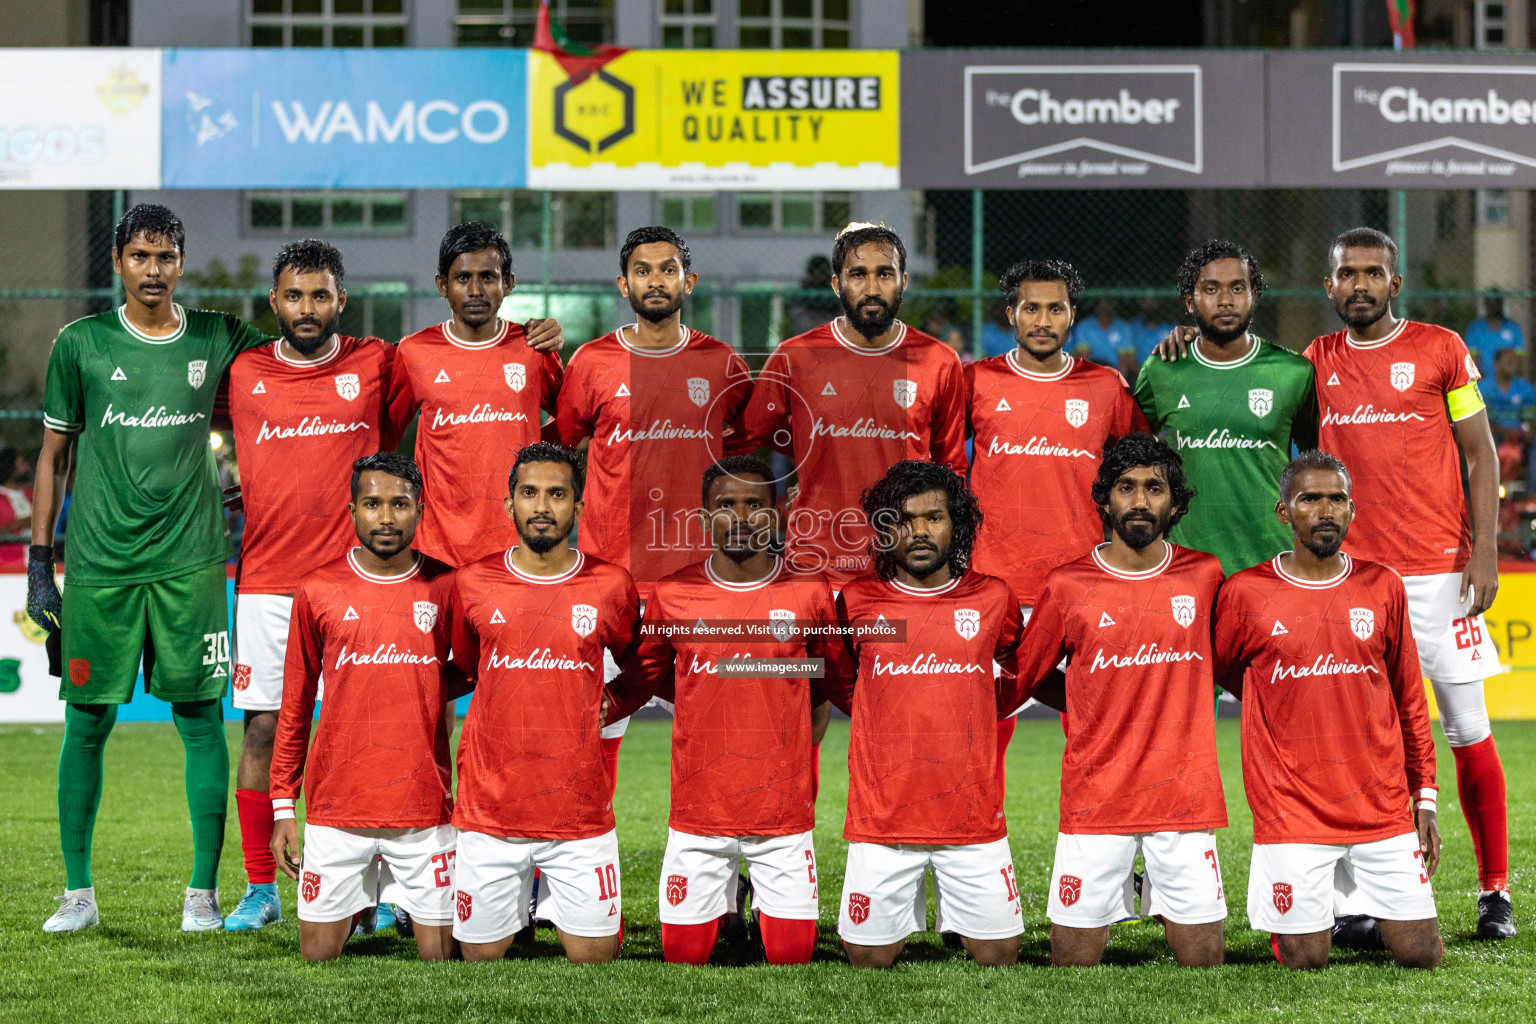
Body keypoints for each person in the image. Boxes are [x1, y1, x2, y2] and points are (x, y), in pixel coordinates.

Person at [31, 204, 272, 933]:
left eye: (166, 256)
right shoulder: (80, 344)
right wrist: (42, 565)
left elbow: (299, 367)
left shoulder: (216, 336)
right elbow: (52, 456)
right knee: (88, 721)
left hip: (190, 564)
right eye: (141, 256)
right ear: (117, 261)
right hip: (101, 565)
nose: (154, 270)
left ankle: (202, 896)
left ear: (181, 262)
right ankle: (78, 894)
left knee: (200, 719)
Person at [1306, 227, 1512, 940]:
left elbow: (1481, 454)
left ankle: (1494, 893)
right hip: (1353, 582)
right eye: (1345, 274)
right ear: (1328, 286)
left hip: (1439, 575)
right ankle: (1354, 903)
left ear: (1395, 285)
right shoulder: (1314, 364)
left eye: (1372, 273)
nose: (1358, 284)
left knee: (1468, 729)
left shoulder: (1441, 350)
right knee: (1359, 743)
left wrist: (1483, 552)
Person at [220, 239, 414, 932]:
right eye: (294, 296)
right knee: (264, 730)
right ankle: (260, 886)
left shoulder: (377, 361)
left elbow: (454, 363)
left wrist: (530, 334)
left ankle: (379, 890)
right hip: (268, 583)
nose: (307, 308)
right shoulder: (241, 371)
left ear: (342, 300)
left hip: (359, 582)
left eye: (320, 295)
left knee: (370, 733)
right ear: (274, 302)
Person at [604, 455, 836, 966]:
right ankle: (728, 900)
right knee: (682, 956)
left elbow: (826, 676)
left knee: (792, 957)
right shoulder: (672, 592)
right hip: (698, 812)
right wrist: (595, 706)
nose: (741, 515)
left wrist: (791, 743)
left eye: (754, 504)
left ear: (776, 515)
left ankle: (755, 904)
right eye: (725, 505)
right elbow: (648, 676)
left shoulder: (810, 590)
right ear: (706, 517)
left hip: (781, 815)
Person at [1214, 450, 1442, 970]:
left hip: (1379, 808)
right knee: (1306, 960)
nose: (1325, 510)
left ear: (1351, 508)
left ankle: (1352, 913)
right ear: (1283, 511)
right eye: (1309, 499)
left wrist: (1423, 797)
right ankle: (1323, 920)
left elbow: (1409, 697)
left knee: (1422, 955)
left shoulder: (1383, 585)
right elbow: (1223, 670)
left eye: (1336, 498)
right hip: (1292, 809)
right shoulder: (1247, 592)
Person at [1014, 433, 1227, 968]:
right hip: (1095, 800)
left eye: (1154, 488)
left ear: (1175, 503)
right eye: (1125, 487)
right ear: (1103, 499)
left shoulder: (1205, 575)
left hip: (1184, 799)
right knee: (1073, 963)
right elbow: (1026, 674)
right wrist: (1084, 701)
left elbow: (1231, 661)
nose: (1138, 500)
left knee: (1203, 963)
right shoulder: (1067, 584)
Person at [555, 226, 754, 789]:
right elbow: (565, 441)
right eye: (643, 271)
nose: (655, 280)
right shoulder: (592, 362)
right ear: (624, 284)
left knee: (716, 726)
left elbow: (739, 448)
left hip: (698, 580)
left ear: (687, 281)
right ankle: (577, 846)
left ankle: (726, 854)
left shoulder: (721, 362)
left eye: (667, 269)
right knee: (594, 722)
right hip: (610, 577)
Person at [821, 460, 1025, 969]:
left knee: (999, 957)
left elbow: (1021, 670)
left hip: (972, 819)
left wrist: (976, 706)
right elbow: (843, 679)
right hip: (882, 819)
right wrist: (878, 708)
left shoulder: (993, 597)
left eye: (933, 518)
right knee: (868, 958)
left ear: (957, 524)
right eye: (902, 519)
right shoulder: (858, 600)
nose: (918, 531)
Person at [449, 442, 638, 963]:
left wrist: (615, 700)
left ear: (578, 508)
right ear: (508, 504)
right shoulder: (472, 582)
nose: (541, 507)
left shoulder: (611, 585)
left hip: (577, 817)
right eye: (529, 493)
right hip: (491, 811)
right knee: (479, 958)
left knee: (596, 960)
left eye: (557, 495)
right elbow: (466, 667)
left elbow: (645, 664)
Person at [268, 453, 459, 961]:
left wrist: (426, 683)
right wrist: (284, 806)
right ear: (351, 511)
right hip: (337, 808)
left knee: (440, 958)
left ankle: (386, 904)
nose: (386, 517)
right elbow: (296, 702)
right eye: (372, 504)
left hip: (423, 808)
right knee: (316, 957)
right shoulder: (317, 589)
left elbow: (480, 667)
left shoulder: (447, 586)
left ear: (421, 510)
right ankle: (361, 905)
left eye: (400, 504)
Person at [965, 258, 1147, 779]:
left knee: (1094, 728)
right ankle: (972, 850)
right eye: (1031, 308)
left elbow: (1138, 471)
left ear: (1073, 316)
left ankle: (1098, 855)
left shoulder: (1106, 387)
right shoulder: (976, 381)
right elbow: (939, 462)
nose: (1042, 319)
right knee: (984, 730)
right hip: (995, 585)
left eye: (1055, 308)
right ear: (1011, 315)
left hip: (1080, 587)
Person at [744, 223, 968, 583]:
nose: (872, 289)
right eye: (858, 275)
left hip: (906, 565)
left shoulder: (939, 360)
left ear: (904, 281)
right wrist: (809, 449)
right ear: (837, 284)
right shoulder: (795, 355)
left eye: (885, 274)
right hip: (817, 561)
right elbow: (751, 432)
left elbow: (951, 466)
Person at [390, 222, 565, 569]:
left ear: (508, 283)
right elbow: (385, 433)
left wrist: (533, 446)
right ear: (442, 285)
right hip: (438, 548)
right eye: (462, 278)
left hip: (518, 546)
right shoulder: (414, 351)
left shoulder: (533, 348)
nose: (475, 290)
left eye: (488, 276)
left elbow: (577, 422)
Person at [1138, 240, 1318, 576]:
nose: (1225, 300)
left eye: (1237, 288)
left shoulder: (1294, 371)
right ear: (1190, 301)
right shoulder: (1163, 368)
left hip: (1272, 560)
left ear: (1254, 296)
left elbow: (1316, 460)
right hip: (1186, 563)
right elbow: (1130, 458)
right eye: (1211, 289)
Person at [1465, 294, 1524, 380]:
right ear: (1486, 306)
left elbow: (1519, 357)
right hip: (1484, 379)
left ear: (1502, 305)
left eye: (1497, 303)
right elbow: (1471, 359)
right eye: (1490, 304)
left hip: (1508, 379)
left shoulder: (1513, 327)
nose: (1494, 307)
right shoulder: (1475, 328)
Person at [1483, 346, 1535, 437]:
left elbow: (1530, 414)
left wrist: (1529, 429)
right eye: (1509, 361)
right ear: (1497, 364)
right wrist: (1501, 430)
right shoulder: (1483, 387)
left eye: (1515, 362)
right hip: (1493, 434)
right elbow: (1482, 418)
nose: (1514, 365)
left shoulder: (1524, 386)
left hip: (1520, 435)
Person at [1070, 298, 1135, 368]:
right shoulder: (1085, 326)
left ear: (1115, 306)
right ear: (1096, 307)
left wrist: (1116, 378)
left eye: (1109, 304)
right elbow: (1084, 357)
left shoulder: (1123, 327)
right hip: (1092, 368)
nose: (1105, 308)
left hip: (1114, 370)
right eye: (1102, 305)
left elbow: (1124, 362)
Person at [0, 446, 34, 571]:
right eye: (21, 463)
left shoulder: (30, 494)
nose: (27, 467)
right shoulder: (1, 497)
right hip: (8, 565)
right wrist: (23, 523)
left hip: (34, 563)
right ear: (10, 467)